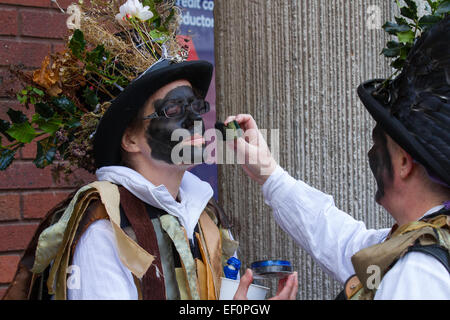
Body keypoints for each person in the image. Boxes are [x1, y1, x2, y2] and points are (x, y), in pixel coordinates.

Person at [227, 16, 450, 300]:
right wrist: (269, 173)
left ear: (404, 163)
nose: (371, 153)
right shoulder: (419, 239)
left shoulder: (419, 274)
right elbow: (344, 242)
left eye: (377, 142)